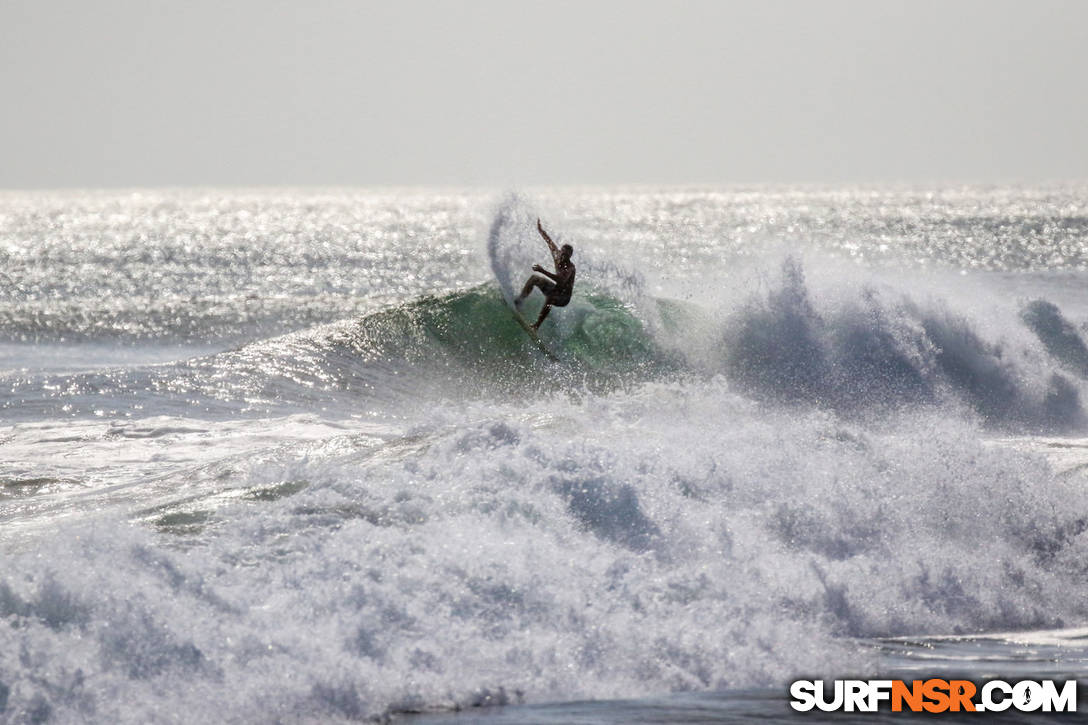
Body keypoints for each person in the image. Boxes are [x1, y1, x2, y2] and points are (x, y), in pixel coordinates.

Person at [515, 218, 576, 330]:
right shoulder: (557, 255)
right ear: (560, 252)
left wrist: (542, 270)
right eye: (562, 254)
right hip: (555, 290)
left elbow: (561, 280)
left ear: (570, 257)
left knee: (551, 297)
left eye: (566, 256)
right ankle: (519, 301)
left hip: (564, 298)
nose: (563, 257)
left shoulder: (570, 268)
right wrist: (540, 229)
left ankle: (536, 326)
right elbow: (548, 241)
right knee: (534, 278)